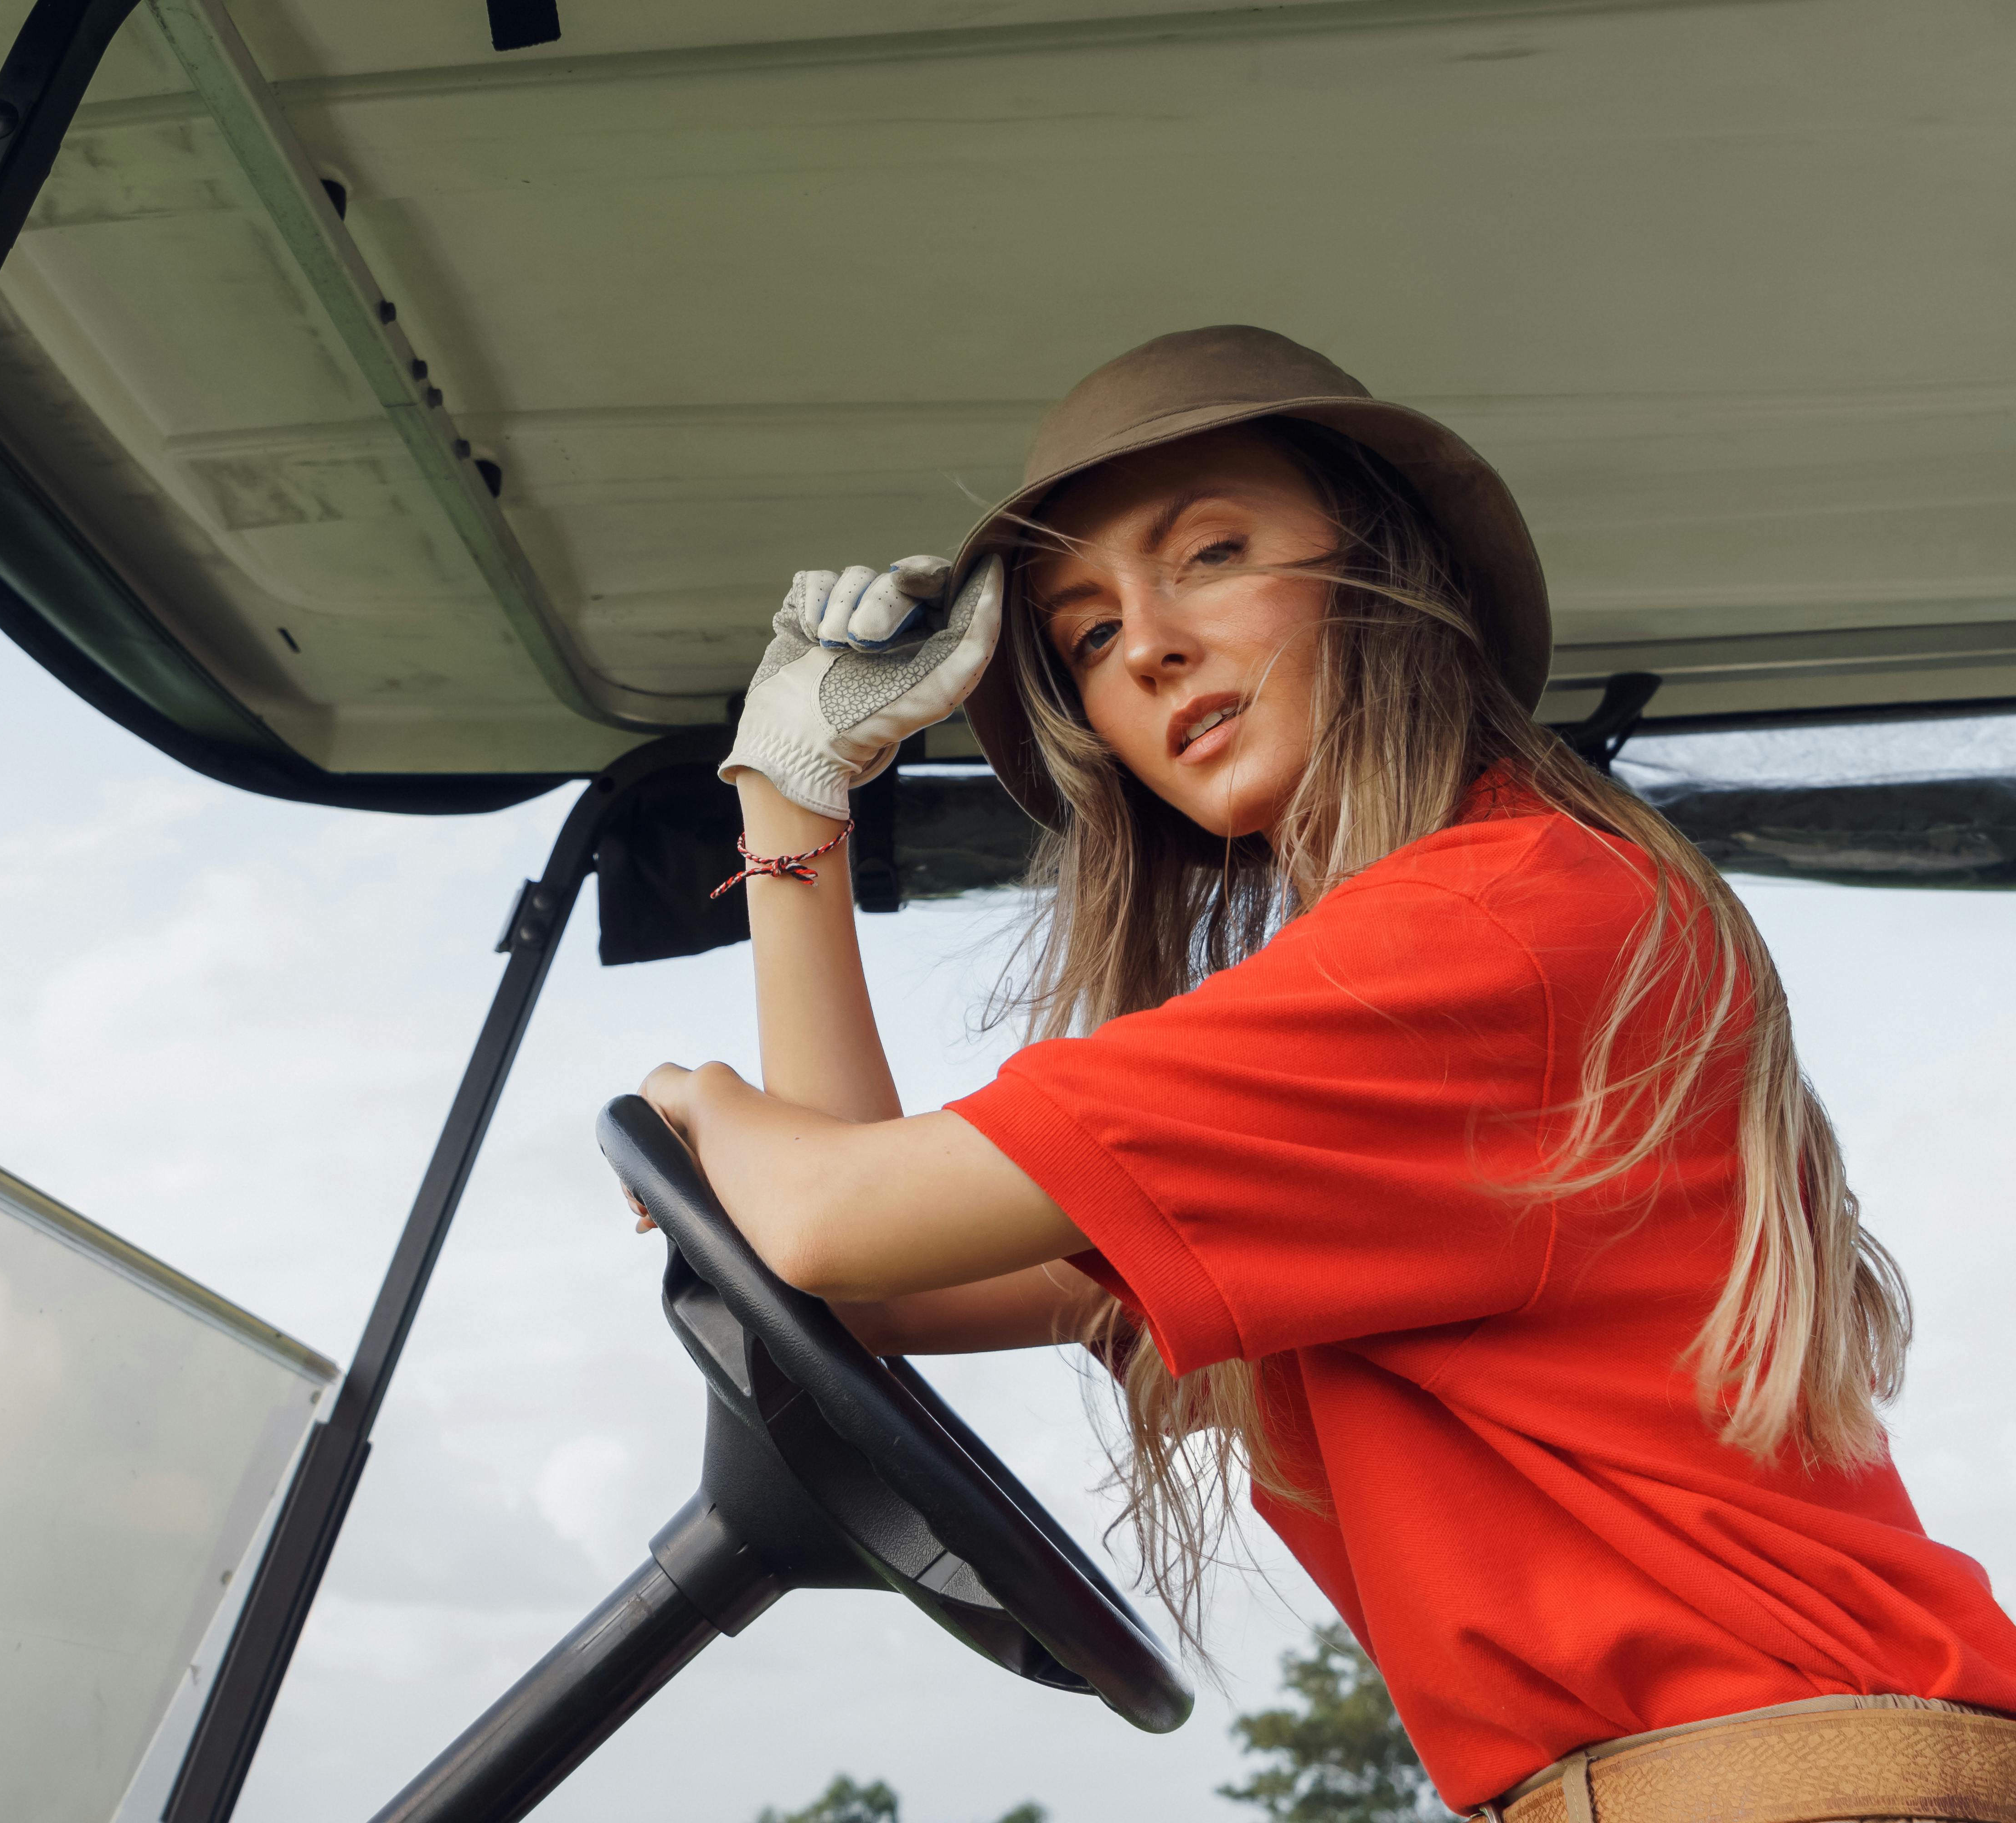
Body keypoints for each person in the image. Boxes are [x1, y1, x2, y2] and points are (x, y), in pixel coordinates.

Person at [643, 326, 2016, 1822]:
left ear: (1386, 572)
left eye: (1211, 554)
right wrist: (796, 804)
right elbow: (866, 1295)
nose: (1150, 643)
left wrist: (708, 1106)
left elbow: (836, 1220)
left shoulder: (1482, 938)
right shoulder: (1376, 1048)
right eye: (1089, 634)